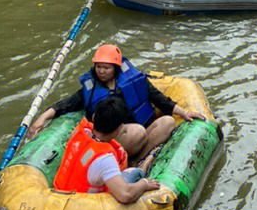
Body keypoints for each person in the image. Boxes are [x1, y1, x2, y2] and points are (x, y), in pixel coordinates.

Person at [26, 44, 205, 158]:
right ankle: (124, 159)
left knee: (167, 122)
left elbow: (160, 99)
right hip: (111, 139)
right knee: (137, 132)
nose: (101, 71)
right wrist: (43, 118)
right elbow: (66, 104)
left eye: (106, 68)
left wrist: (185, 112)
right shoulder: (91, 88)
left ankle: (140, 158)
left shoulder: (134, 81)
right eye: (98, 67)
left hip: (138, 133)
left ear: (116, 68)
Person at [52, 97, 165, 203]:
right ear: (119, 128)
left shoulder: (79, 132)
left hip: (59, 193)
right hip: (82, 205)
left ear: (94, 117)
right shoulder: (105, 159)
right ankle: (145, 163)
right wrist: (144, 184)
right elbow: (126, 195)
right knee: (134, 173)